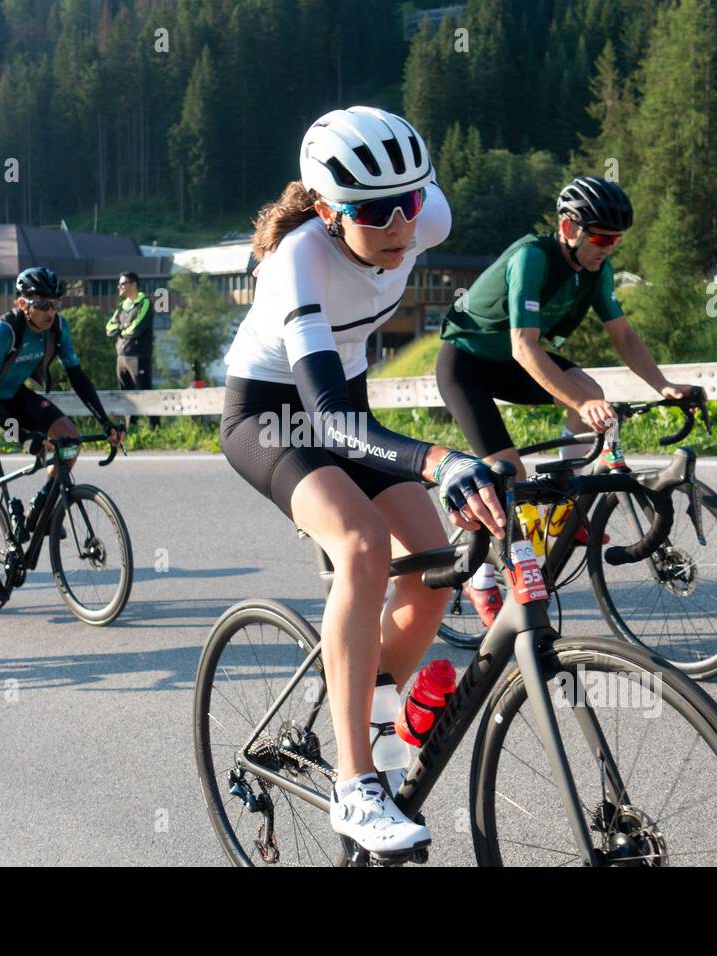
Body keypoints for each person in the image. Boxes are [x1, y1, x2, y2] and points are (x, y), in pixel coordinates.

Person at [220, 106, 504, 857]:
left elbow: (357, 414)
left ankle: (366, 695)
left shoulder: (423, 212)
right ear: (325, 211)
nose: (399, 224)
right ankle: (356, 783)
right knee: (361, 543)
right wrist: (439, 460)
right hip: (275, 415)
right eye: (374, 211)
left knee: (435, 568)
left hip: (350, 405)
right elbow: (330, 423)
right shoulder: (299, 265)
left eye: (409, 201)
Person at [435, 174, 696, 625]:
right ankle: (478, 578)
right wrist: (579, 402)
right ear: (568, 227)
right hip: (468, 366)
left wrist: (664, 386)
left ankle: (559, 511)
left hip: (515, 363)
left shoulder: (597, 270)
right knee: (509, 479)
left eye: (616, 240)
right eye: (600, 237)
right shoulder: (532, 258)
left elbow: (625, 337)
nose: (608, 247)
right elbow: (524, 346)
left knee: (591, 394)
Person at [0, 266, 124, 602]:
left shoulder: (57, 328)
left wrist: (106, 422)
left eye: (55, 304)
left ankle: (42, 504)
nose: (51, 311)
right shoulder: (5, 331)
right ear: (23, 303)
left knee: (69, 439)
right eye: (43, 305)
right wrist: (24, 438)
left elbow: (77, 376)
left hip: (14, 393)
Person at [104, 271, 158, 428]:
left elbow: (136, 329)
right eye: (119, 284)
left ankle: (154, 428)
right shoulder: (122, 306)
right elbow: (109, 328)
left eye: (123, 283)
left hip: (139, 356)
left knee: (144, 391)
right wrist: (123, 327)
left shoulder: (145, 302)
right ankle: (131, 428)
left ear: (133, 285)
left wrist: (121, 330)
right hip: (121, 357)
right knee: (125, 395)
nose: (119, 287)